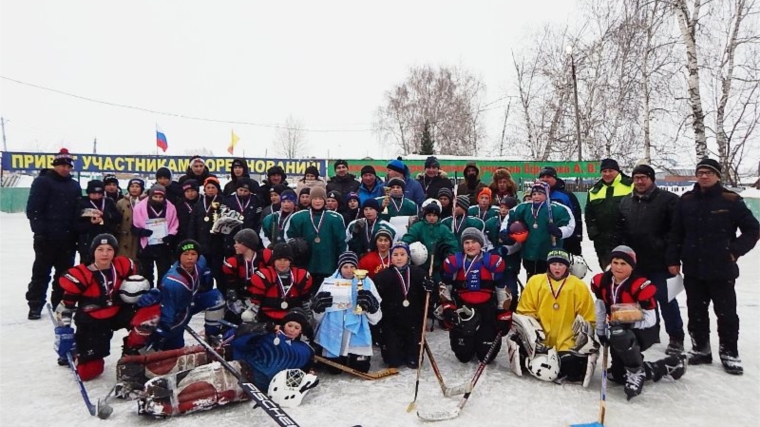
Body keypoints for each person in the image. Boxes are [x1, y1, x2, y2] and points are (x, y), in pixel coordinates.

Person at [668, 158, 759, 375]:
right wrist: (672, 260)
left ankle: (729, 352)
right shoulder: (686, 201)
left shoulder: (730, 200)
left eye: (709, 172)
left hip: (721, 269)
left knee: (726, 313)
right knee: (696, 311)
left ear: (718, 175)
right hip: (693, 268)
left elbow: (753, 230)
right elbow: (676, 233)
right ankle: (701, 348)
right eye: (701, 172)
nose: (704, 176)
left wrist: (734, 251)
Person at [137, 308, 315, 417]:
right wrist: (262, 329)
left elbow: (303, 372)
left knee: (202, 383)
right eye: (289, 325)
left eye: (296, 327)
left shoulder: (306, 351)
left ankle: (159, 401)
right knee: (191, 358)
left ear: (301, 331)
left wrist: (310, 374)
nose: (291, 329)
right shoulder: (269, 334)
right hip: (240, 365)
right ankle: (138, 370)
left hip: (253, 382)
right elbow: (240, 341)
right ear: (283, 324)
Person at [592, 246, 687, 399]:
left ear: (632, 266)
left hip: (644, 331)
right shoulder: (602, 281)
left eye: (624, 264)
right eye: (615, 262)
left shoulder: (641, 284)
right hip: (618, 333)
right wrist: (601, 331)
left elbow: (651, 319)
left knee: (619, 332)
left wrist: (627, 323)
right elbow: (601, 307)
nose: (618, 267)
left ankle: (636, 371)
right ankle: (665, 366)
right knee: (618, 376)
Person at [616, 164, 685, 355]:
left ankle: (676, 337)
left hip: (660, 261)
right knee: (639, 299)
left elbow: (676, 232)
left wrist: (671, 258)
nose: (639, 181)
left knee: (665, 298)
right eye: (636, 177)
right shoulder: (625, 202)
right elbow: (621, 232)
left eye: (643, 177)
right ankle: (649, 332)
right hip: (635, 263)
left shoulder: (668, 200)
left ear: (651, 179)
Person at [54, 234, 143, 380]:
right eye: (100, 249)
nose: (105, 253)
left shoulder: (123, 267)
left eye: (109, 249)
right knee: (89, 373)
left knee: (149, 315)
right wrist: (64, 332)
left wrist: (149, 296)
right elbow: (65, 307)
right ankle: (78, 351)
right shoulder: (81, 274)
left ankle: (132, 351)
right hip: (92, 322)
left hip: (118, 314)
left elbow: (140, 287)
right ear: (93, 252)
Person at [509, 249, 598, 386]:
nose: (557, 268)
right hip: (540, 339)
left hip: (567, 341)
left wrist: (582, 335)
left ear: (567, 266)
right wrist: (533, 333)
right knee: (533, 361)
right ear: (548, 264)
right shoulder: (535, 281)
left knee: (571, 369)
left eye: (561, 264)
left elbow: (587, 317)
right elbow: (524, 310)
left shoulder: (578, 286)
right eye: (554, 264)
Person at [126, 239, 225, 352]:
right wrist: (161, 333)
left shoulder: (200, 263)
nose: (190, 257)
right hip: (177, 313)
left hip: (189, 304)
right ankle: (142, 350)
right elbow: (168, 313)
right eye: (185, 254)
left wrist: (206, 274)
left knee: (216, 297)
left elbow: (203, 263)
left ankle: (212, 335)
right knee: (173, 349)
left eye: (193, 254)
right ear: (179, 257)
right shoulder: (173, 282)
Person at [26, 148, 82, 319]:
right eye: (61, 165)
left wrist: (77, 234)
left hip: (68, 239)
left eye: (68, 166)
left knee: (64, 274)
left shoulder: (74, 185)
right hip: (47, 238)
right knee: (41, 272)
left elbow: (77, 211)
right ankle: (35, 304)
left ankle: (60, 302)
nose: (65, 169)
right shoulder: (43, 182)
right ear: (55, 165)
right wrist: (40, 232)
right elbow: (33, 210)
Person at [439, 228, 509, 364]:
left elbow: (502, 289)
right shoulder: (455, 262)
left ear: (481, 244)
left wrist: (503, 313)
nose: (470, 246)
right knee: (463, 356)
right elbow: (444, 287)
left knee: (486, 357)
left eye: (474, 242)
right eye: (467, 242)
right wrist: (448, 307)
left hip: (487, 309)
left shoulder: (492, 261)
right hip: (464, 309)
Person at [312, 251, 382, 373]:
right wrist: (318, 308)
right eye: (345, 267)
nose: (349, 270)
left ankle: (356, 355)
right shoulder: (328, 282)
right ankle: (335, 353)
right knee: (334, 370)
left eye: (352, 267)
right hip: (334, 330)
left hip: (356, 330)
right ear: (340, 268)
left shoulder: (366, 282)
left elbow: (376, 318)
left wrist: (372, 307)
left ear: (357, 267)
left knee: (361, 368)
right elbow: (317, 318)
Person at [375, 242, 434, 368]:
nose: (399, 257)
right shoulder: (382, 276)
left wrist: (429, 289)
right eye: (395, 255)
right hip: (391, 323)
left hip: (413, 322)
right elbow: (377, 301)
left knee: (414, 363)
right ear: (391, 257)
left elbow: (428, 299)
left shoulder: (419, 273)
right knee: (393, 362)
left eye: (402, 254)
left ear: (408, 256)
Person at [505, 183, 573, 279]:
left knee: (548, 279)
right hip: (529, 252)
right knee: (532, 278)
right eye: (534, 194)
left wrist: (559, 231)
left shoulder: (558, 209)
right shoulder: (523, 207)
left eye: (540, 194)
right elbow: (509, 217)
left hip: (549, 252)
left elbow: (570, 225)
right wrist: (505, 231)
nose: (536, 196)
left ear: (546, 195)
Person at [285, 186, 347, 289]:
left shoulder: (335, 218)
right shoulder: (298, 217)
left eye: (320, 199)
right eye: (314, 199)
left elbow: (342, 242)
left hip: (329, 265)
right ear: (310, 200)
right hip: (306, 266)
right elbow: (289, 238)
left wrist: (341, 263)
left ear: (325, 200)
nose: (317, 202)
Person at [246, 242, 314, 323]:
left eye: (285, 260)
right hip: (268, 320)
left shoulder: (301, 277)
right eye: (279, 259)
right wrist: (250, 316)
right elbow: (256, 303)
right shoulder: (264, 276)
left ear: (290, 261)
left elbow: (305, 302)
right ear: (273, 261)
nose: (282, 263)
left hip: (293, 320)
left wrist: (308, 318)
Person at [585, 158, 633, 269]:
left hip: (627, 239)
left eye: (610, 170)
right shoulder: (594, 190)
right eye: (604, 171)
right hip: (604, 242)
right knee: (608, 273)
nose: (607, 174)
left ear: (617, 171)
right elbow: (589, 215)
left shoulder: (630, 185)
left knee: (628, 273)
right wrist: (595, 235)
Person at [132, 184, 179, 287]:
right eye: (155, 197)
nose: (158, 199)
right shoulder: (140, 207)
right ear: (150, 196)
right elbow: (134, 226)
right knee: (146, 273)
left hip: (163, 246)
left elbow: (174, 224)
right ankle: (147, 293)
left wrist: (170, 235)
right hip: (146, 245)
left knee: (164, 273)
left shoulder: (170, 207)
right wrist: (142, 232)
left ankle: (162, 294)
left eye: (161, 197)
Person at [221, 228, 271, 323]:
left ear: (247, 244)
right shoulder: (234, 262)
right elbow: (231, 287)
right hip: (242, 298)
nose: (235, 246)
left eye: (238, 243)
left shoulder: (263, 258)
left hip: (262, 298)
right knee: (234, 315)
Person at [401, 200, 458, 282]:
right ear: (425, 215)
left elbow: (453, 245)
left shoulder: (444, 229)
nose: (431, 218)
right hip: (419, 267)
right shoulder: (418, 227)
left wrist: (447, 260)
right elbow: (408, 238)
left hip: (437, 268)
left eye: (434, 215)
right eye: (429, 215)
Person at [188, 176, 226, 291]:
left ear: (217, 189)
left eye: (213, 187)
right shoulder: (199, 205)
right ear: (204, 189)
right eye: (208, 187)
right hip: (201, 245)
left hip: (217, 246)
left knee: (219, 274)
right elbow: (192, 225)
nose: (210, 190)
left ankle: (221, 296)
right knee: (204, 274)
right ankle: (204, 296)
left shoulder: (223, 204)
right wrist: (192, 242)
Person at [539, 166, 583, 256]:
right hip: (541, 241)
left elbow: (576, 218)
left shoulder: (566, 196)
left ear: (555, 179)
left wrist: (576, 240)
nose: (545, 179)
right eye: (542, 177)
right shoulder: (535, 196)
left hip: (563, 241)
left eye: (548, 177)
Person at [76, 179, 122, 265]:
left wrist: (105, 215)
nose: (97, 196)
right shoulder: (82, 203)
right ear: (88, 193)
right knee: (87, 266)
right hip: (88, 241)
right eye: (94, 194)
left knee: (106, 265)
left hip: (106, 239)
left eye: (99, 194)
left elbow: (118, 218)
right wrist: (90, 223)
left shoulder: (108, 201)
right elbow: (76, 225)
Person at [223, 177, 263, 248]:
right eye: (240, 190)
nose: (242, 193)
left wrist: (255, 233)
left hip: (250, 236)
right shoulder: (228, 200)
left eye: (245, 191)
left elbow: (258, 219)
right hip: (232, 236)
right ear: (236, 189)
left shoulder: (256, 201)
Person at [116, 177, 146, 263]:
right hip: (123, 238)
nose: (134, 189)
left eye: (137, 186)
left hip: (139, 238)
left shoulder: (146, 202)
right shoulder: (121, 202)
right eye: (132, 186)